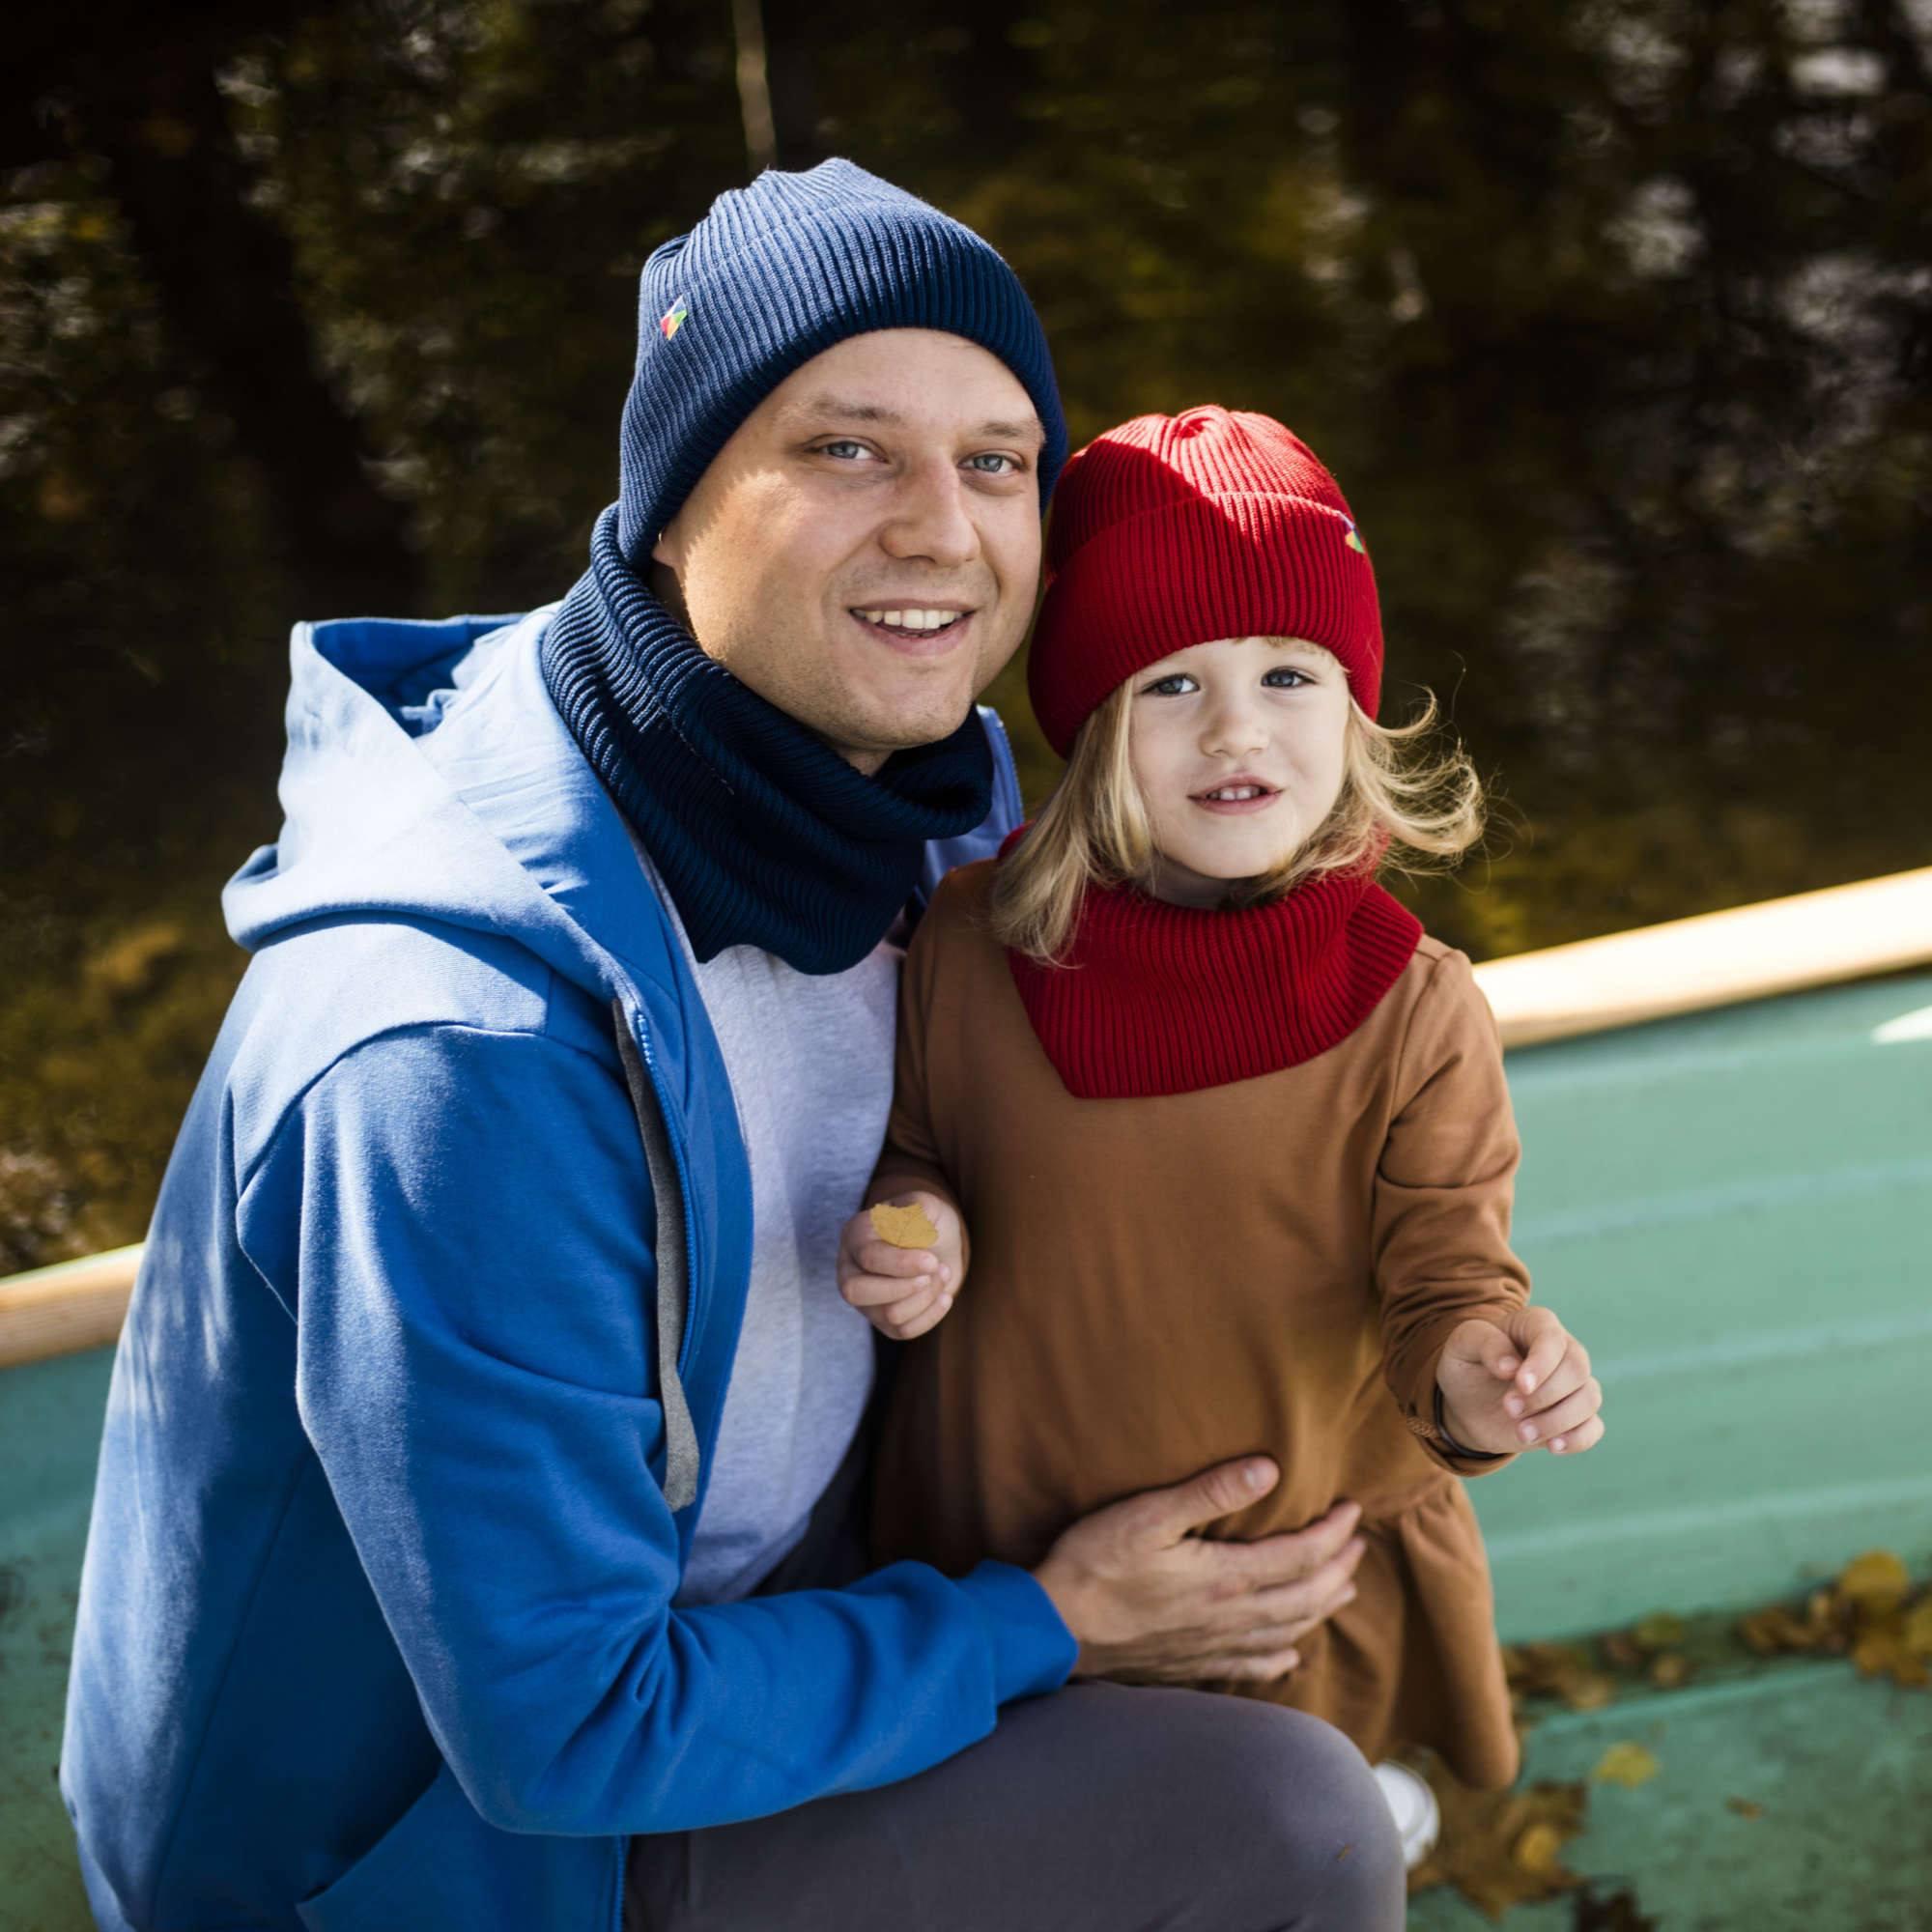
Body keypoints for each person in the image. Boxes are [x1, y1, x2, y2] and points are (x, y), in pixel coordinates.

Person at [60, 169, 1405, 1932]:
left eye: (997, 462)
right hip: (444, 1857)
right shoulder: (454, 1048)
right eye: (849, 450)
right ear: (676, 496)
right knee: (1281, 1825)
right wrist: (1053, 1624)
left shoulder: (911, 809)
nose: (944, 529)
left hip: (768, 1597)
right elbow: (566, 1731)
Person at [846, 407, 1608, 1822]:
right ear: (1089, 722)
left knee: (1286, 1826)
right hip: (1012, 1551)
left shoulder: (1415, 1008)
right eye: (1171, 687)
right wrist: (917, 1227)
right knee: (1036, 1843)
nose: (1237, 727)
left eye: (1286, 673)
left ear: (1355, 710)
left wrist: (1488, 1369)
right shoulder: (967, 946)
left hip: (1289, 1571)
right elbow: (920, 1151)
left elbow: (1444, 1276)